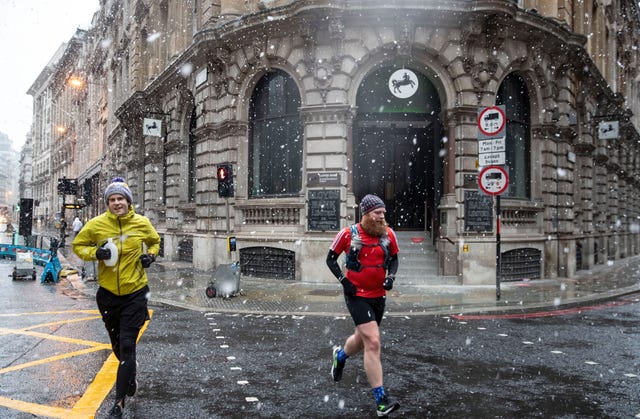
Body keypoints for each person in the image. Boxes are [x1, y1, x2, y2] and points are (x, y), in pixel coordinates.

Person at [72, 177, 160, 419]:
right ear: (107, 203)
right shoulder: (97, 225)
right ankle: (130, 373)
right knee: (117, 347)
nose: (116, 203)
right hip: (108, 295)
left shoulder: (141, 223)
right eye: (112, 199)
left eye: (120, 198)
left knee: (127, 345)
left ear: (128, 201)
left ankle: (118, 404)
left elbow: (154, 241)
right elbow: (78, 245)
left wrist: (150, 257)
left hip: (135, 293)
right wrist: (95, 253)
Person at [326, 194, 400, 417]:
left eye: (383, 213)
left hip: (378, 296)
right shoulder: (348, 234)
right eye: (378, 213)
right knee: (374, 342)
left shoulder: (388, 234)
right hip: (356, 295)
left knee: (362, 339)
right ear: (366, 214)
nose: (382, 217)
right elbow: (330, 258)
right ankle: (381, 401)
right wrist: (344, 281)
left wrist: (391, 276)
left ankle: (339, 357)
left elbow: (394, 258)